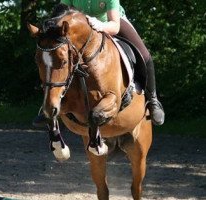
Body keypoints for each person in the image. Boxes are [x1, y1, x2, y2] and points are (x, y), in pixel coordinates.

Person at [33, 0, 164, 127]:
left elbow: (115, 26)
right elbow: (60, 11)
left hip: (109, 22)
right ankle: (50, 104)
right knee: (56, 56)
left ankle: (153, 100)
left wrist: (101, 26)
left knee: (144, 54)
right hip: (80, 26)